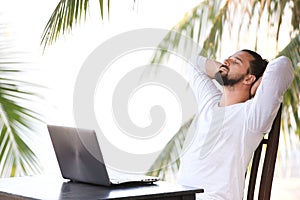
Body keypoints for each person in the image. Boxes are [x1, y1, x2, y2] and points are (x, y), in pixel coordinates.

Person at [177, 49, 294, 200]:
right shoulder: (209, 101)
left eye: (236, 61)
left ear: (249, 79)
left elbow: (282, 66)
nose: (227, 61)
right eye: (229, 58)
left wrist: (258, 85)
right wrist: (222, 69)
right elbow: (194, 62)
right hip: (179, 195)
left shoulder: (251, 117)